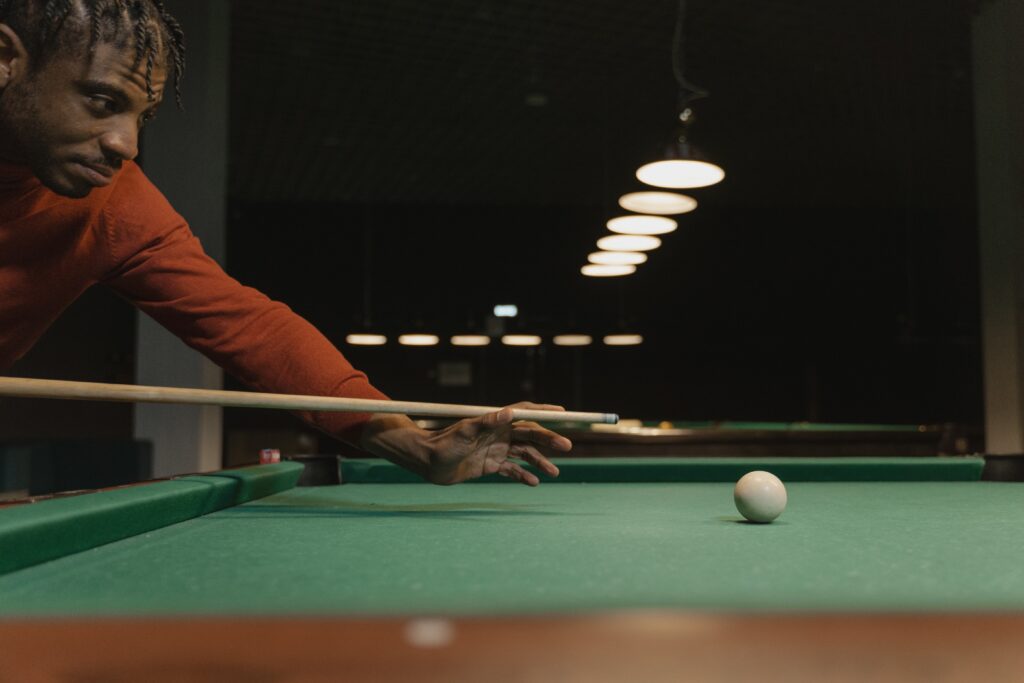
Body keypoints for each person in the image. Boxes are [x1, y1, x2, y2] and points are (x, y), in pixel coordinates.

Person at [0, 0, 571, 485]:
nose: (126, 143)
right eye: (102, 102)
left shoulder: (115, 204)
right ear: (6, 60)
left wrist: (417, 446)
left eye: (143, 116)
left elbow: (253, 330)